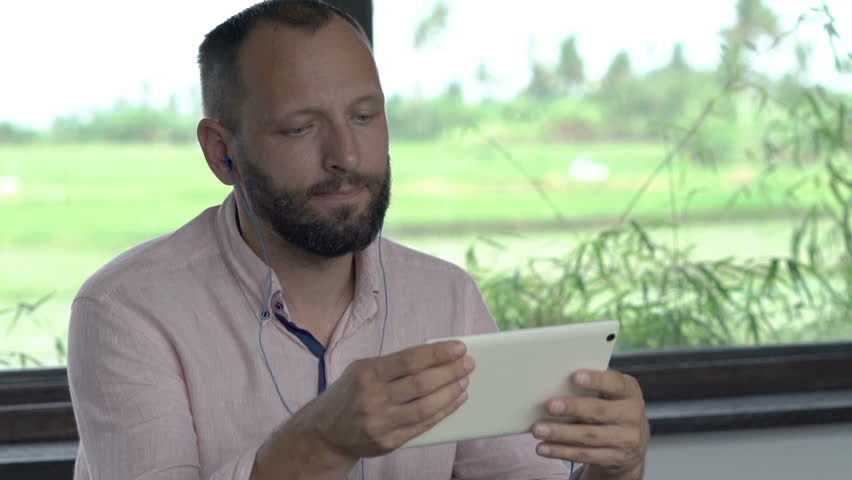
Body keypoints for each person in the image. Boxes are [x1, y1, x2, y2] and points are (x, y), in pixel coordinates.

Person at [67, 1, 650, 479]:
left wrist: (615, 470)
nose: (346, 156)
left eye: (365, 117)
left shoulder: (445, 296)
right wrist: (324, 439)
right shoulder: (127, 310)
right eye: (302, 128)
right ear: (222, 153)